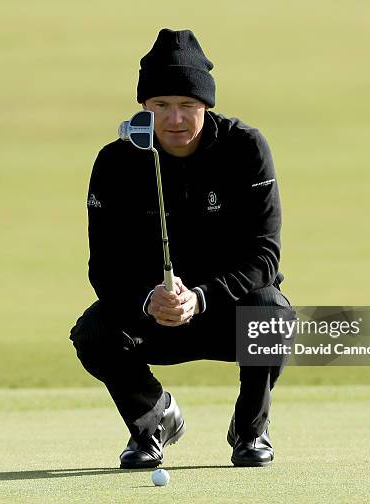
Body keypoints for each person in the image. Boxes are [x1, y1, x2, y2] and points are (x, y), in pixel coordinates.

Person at [69, 28, 294, 468]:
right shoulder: (115, 162)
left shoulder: (245, 148)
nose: (175, 119)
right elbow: (104, 268)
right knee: (93, 333)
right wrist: (147, 299)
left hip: (227, 310)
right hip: (151, 316)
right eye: (161, 106)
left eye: (188, 106)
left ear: (206, 106)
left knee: (272, 314)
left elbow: (265, 257)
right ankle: (153, 420)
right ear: (143, 108)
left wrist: (202, 297)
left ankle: (251, 429)